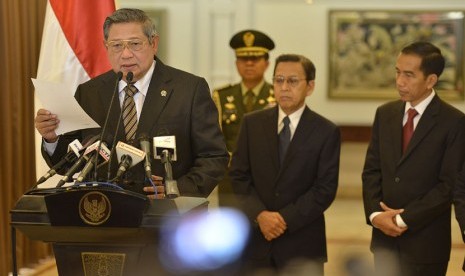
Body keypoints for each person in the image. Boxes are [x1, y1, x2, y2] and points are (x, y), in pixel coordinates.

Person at [34, 8, 229, 199]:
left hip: (169, 217)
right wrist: (52, 140)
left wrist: (177, 188)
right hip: (105, 214)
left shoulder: (189, 89)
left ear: (154, 43)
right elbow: (71, 163)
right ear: (106, 47)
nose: (126, 54)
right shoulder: (89, 92)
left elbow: (214, 157)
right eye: (116, 45)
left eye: (135, 44)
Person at [229, 53, 340, 275]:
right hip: (256, 241)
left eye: (292, 81)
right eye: (279, 80)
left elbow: (324, 189)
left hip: (302, 243)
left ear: (309, 87)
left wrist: (283, 219)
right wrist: (261, 215)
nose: (284, 87)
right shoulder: (252, 124)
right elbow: (238, 176)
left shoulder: (326, 131)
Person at [362, 41, 465, 276]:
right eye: (398, 72)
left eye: (409, 75)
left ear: (431, 80)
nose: (400, 81)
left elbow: (449, 185)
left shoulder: (454, 122)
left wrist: (403, 220)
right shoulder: (385, 113)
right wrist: (376, 216)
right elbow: (371, 171)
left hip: (426, 245)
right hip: (384, 242)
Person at [212, 29, 276, 207]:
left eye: (255, 59)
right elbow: (216, 138)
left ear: (266, 64)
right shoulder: (222, 96)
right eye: (243, 59)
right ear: (236, 63)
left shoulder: (278, 97)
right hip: (230, 176)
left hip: (268, 175)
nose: (249, 64)